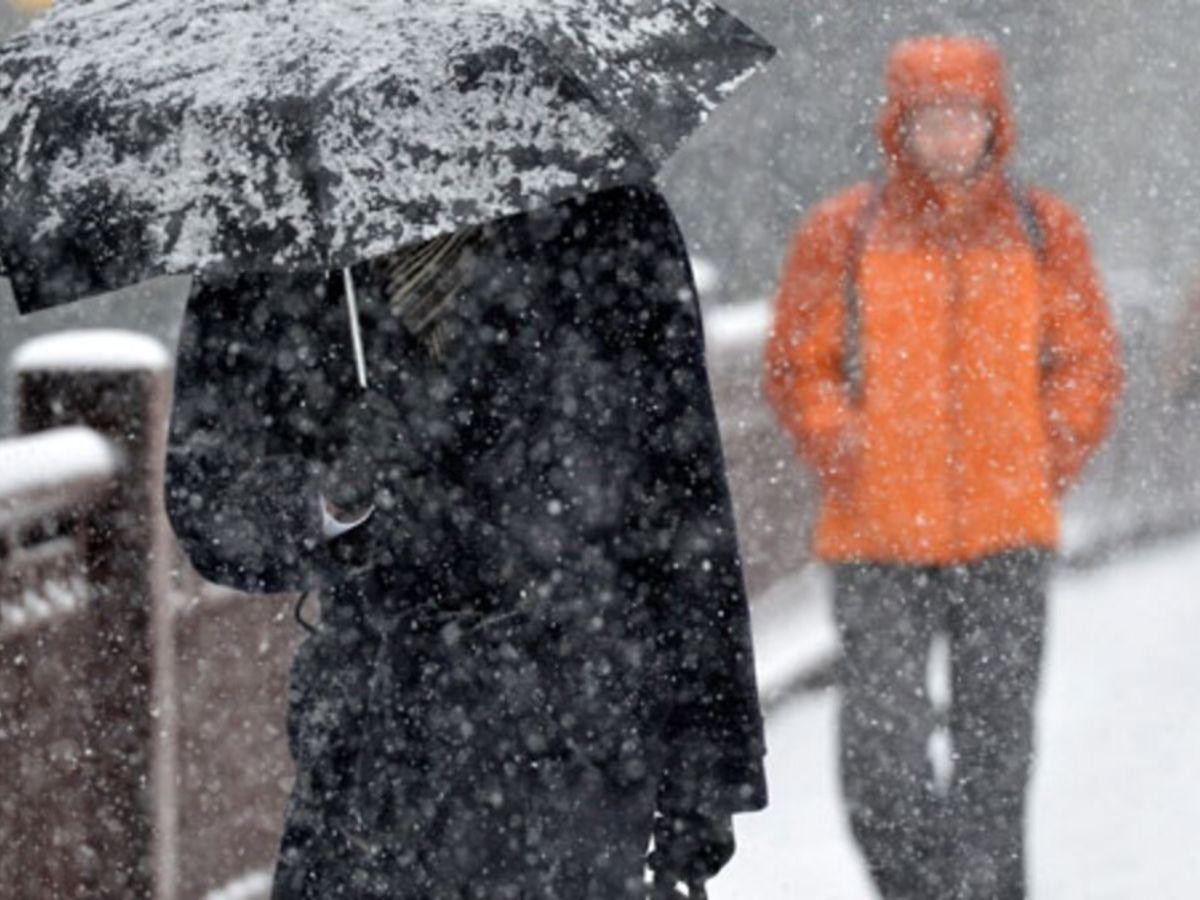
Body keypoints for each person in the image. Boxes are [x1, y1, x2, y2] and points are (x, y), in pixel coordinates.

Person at [165, 183, 767, 899]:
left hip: (578, 726)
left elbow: (682, 497)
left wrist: (706, 764)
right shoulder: (277, 235)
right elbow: (208, 508)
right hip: (373, 755)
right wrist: (326, 498)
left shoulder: (605, 215)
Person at [764, 36, 1122, 900]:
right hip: (875, 540)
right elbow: (795, 367)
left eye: (966, 116)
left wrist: (1045, 456)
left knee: (995, 762)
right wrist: (845, 448)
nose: (951, 135)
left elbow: (1087, 363)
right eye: (932, 118)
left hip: (1007, 537)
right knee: (881, 767)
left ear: (995, 123)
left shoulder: (1043, 229)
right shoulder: (842, 234)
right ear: (900, 125)